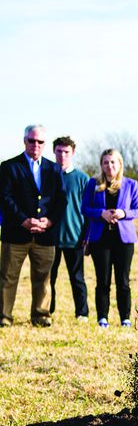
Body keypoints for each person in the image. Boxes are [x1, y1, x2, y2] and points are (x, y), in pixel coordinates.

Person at [0, 125, 65, 327]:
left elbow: (61, 200)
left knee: (44, 278)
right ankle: (4, 316)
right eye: (31, 140)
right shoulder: (9, 166)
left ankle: (41, 314)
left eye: (40, 142)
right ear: (24, 140)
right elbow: (5, 197)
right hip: (15, 234)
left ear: (45, 144)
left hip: (45, 235)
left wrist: (50, 221)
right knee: (8, 277)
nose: (35, 145)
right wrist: (23, 220)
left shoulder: (53, 169)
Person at [81, 149, 138, 327]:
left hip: (124, 240)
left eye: (113, 162)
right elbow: (84, 208)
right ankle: (102, 318)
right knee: (103, 281)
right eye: (106, 162)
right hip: (100, 239)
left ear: (120, 164)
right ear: (101, 165)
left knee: (123, 281)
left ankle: (125, 318)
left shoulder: (131, 184)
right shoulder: (93, 184)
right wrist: (102, 214)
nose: (109, 166)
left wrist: (123, 213)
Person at [49, 136, 90, 321]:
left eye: (66, 152)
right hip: (49, 238)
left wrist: (86, 235)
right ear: (54, 152)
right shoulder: (47, 174)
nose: (62, 155)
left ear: (73, 153)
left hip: (75, 237)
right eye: (59, 151)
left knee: (77, 278)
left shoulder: (83, 179)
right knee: (48, 278)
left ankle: (82, 313)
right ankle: (47, 311)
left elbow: (88, 210)